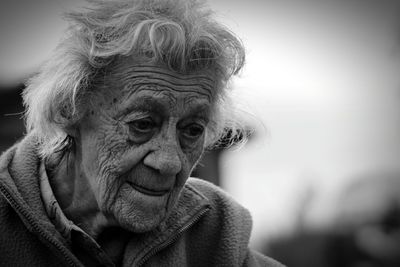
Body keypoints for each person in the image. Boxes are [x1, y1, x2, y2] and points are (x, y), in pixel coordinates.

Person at [0, 0, 284, 266]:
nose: (170, 162)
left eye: (193, 130)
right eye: (142, 124)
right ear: (69, 111)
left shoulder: (214, 233)